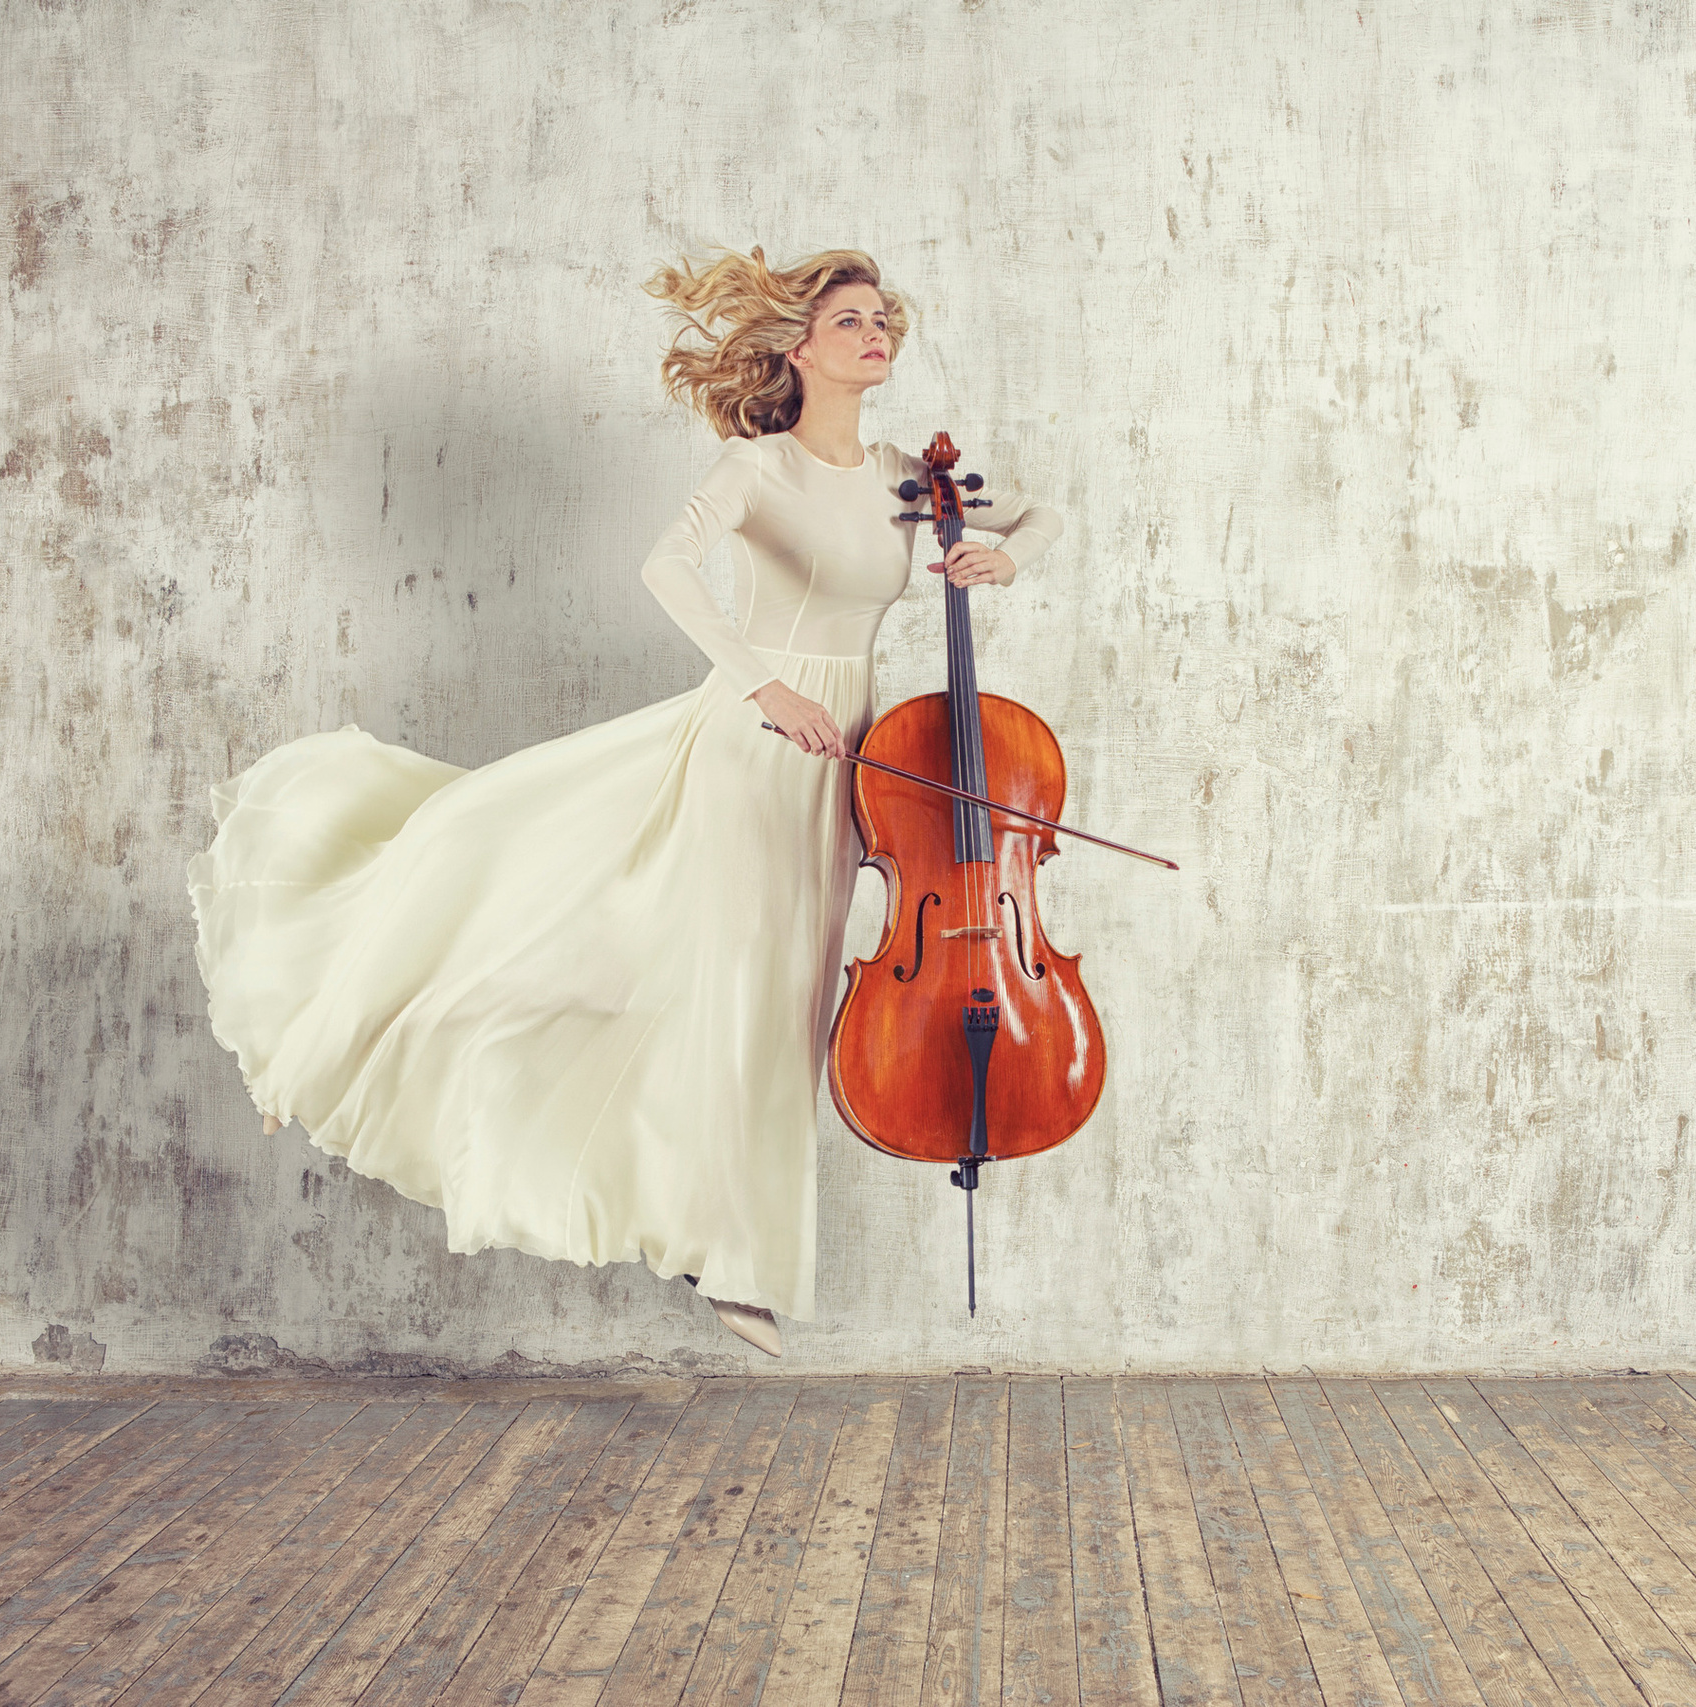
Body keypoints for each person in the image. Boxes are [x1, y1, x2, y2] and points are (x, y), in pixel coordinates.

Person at [185, 247, 1065, 1357]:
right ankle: (353, 1038)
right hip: (755, 744)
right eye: (848, 321)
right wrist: (760, 681)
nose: (874, 331)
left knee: (788, 1005)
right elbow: (667, 568)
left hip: (859, 753)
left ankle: (727, 1249)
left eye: (881, 317)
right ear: (798, 349)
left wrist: (1004, 564)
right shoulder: (758, 469)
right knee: (693, 970)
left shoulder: (909, 474)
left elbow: (1036, 518)